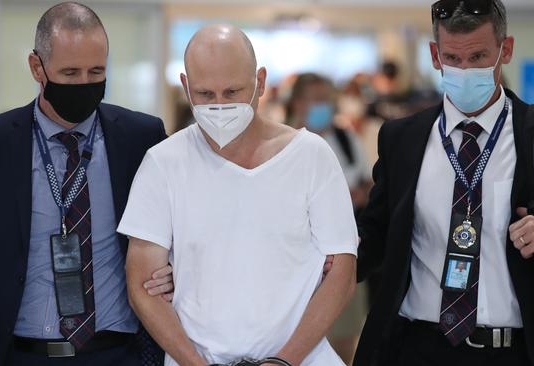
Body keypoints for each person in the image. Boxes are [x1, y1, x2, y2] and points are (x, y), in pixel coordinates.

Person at [0, 2, 173, 365]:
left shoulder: (141, 137)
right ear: (37, 67)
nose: (85, 84)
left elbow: (178, 233)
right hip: (20, 353)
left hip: (121, 353)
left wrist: (172, 272)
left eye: (96, 71)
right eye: (70, 73)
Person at [119, 24, 358, 366]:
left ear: (260, 82)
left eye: (232, 92)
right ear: (186, 86)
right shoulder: (164, 163)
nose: (218, 106)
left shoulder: (311, 157)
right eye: (205, 94)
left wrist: (283, 361)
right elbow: (142, 285)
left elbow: (342, 274)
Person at [354, 1, 534, 365]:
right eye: (453, 58)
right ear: (435, 55)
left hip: (513, 350)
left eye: (479, 56)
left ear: (507, 50)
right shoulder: (401, 138)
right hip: (417, 345)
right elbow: (374, 233)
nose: (465, 70)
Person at [285, 72, 370, 364]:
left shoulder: (346, 139)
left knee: (342, 340)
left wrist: (356, 195)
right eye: (316, 99)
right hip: (295, 263)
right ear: (297, 103)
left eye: (327, 100)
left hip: (340, 260)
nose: (324, 106)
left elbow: (367, 182)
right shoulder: (281, 143)